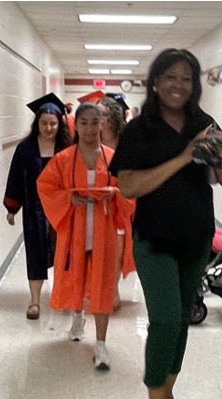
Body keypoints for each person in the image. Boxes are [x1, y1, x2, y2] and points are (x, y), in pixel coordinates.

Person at [108, 48, 222, 399]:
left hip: (195, 240)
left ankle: (168, 394)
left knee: (181, 321)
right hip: (153, 240)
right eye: (171, 77)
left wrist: (217, 156)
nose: (179, 85)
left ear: (194, 84)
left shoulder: (206, 124)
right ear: (155, 82)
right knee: (164, 319)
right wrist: (184, 157)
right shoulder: (138, 131)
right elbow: (128, 186)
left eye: (186, 78)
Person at [37, 102, 135, 370]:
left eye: (96, 122)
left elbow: (128, 189)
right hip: (75, 231)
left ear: (103, 123)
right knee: (76, 277)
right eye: (84, 123)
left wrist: (113, 194)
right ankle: (77, 317)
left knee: (103, 284)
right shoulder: (63, 159)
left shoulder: (113, 157)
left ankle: (101, 344)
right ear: (76, 126)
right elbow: (46, 187)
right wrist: (71, 197)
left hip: (103, 230)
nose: (91, 128)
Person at [3, 93, 71, 320]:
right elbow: (15, 178)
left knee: (65, 253)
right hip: (35, 209)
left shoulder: (67, 147)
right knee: (35, 253)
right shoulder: (25, 148)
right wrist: (12, 208)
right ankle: (34, 301)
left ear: (59, 123)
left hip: (63, 210)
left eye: (53, 123)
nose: (49, 128)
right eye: (44, 123)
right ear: (37, 123)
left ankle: (65, 296)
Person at [97, 95, 135, 310]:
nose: (98, 119)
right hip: (97, 204)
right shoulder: (92, 140)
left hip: (122, 203)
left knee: (117, 250)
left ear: (112, 117)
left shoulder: (125, 142)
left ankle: (113, 291)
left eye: (101, 114)